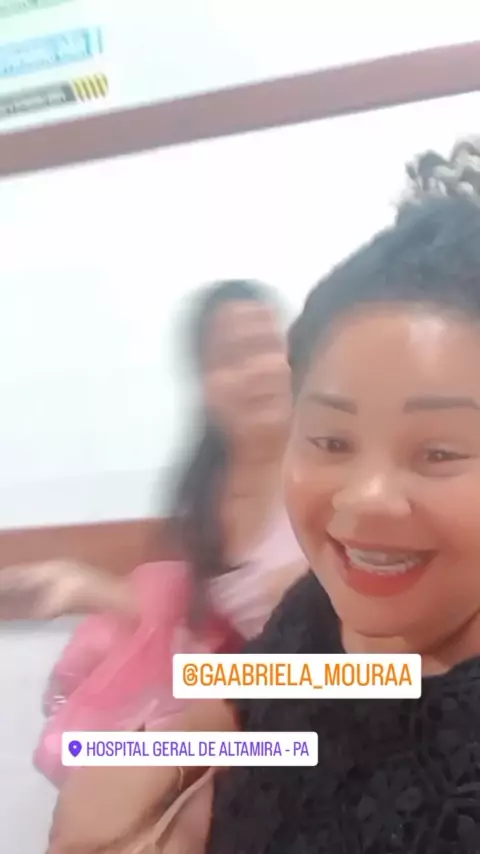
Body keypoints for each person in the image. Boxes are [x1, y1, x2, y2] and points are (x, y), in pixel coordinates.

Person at [51, 139, 480, 852]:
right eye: (331, 441)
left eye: (438, 452)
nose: (364, 497)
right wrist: (146, 756)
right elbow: (249, 704)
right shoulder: (317, 608)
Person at [0, 279, 306, 783]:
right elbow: (191, 628)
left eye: (268, 346)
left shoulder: (338, 465)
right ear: (204, 383)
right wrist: (80, 586)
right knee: (88, 751)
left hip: (365, 691)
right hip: (269, 714)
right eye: (232, 356)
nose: (258, 368)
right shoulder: (208, 496)